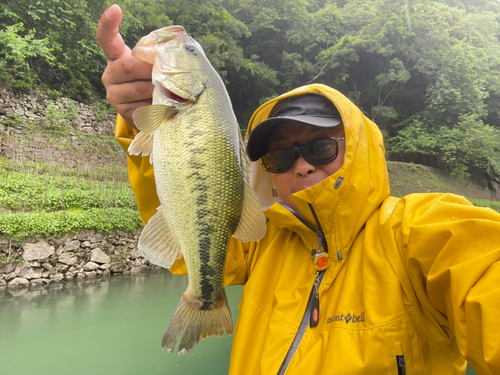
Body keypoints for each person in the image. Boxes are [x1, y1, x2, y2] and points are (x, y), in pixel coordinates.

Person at [97, 5, 500, 375]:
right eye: (282, 157)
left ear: (357, 147)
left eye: (320, 147)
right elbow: (187, 229)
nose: (302, 164)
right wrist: (137, 122)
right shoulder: (261, 242)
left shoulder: (420, 234)